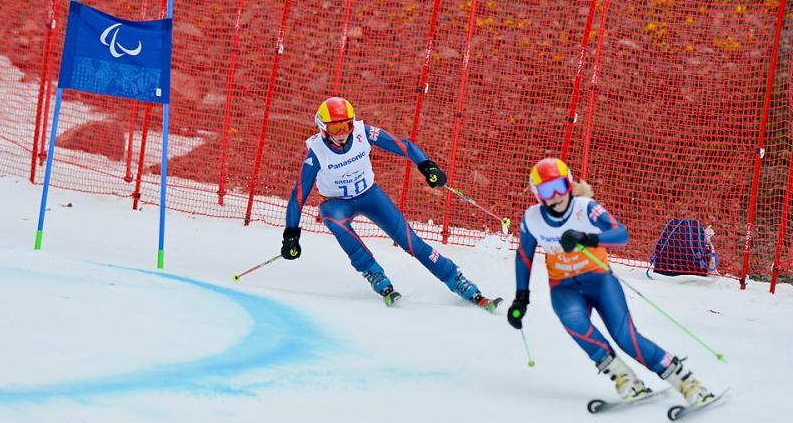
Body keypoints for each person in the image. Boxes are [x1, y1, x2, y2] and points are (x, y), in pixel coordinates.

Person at [506, 157, 714, 406]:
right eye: (546, 191)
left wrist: (587, 237)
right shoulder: (532, 219)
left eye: (559, 187)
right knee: (578, 327)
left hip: (599, 280)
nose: (555, 196)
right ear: (537, 194)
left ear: (569, 184)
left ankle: (687, 382)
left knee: (624, 336)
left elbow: (621, 235)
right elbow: (524, 256)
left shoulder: (585, 207)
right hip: (564, 288)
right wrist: (521, 297)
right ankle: (624, 378)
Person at [280, 96, 501, 310]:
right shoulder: (316, 152)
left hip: (370, 196)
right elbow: (298, 195)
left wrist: (427, 166)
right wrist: (291, 235)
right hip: (336, 202)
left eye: (346, 125)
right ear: (323, 128)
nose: (342, 133)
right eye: (335, 128)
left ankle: (456, 279)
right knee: (333, 220)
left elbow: (404, 146)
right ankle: (373, 272)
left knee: (410, 242)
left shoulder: (362, 133)